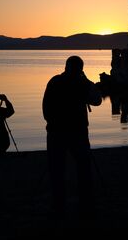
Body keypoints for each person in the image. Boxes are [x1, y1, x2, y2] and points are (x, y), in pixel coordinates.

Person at [42, 56, 102, 219]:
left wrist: (52, 123)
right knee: (83, 167)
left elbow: (45, 108)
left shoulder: (54, 81)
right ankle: (85, 202)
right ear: (80, 69)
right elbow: (97, 100)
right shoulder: (82, 84)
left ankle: (59, 203)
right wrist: (88, 80)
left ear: (66, 67)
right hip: (77, 132)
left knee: (57, 169)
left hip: (56, 133)